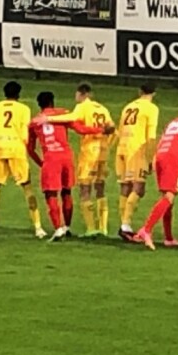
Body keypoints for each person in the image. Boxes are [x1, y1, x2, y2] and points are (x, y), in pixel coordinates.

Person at [29, 90, 109, 242]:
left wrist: (40, 163)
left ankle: (58, 228)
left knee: (51, 194)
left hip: (50, 158)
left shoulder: (34, 122)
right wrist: (100, 130)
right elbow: (81, 129)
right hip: (66, 156)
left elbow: (30, 148)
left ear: (39, 105)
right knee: (66, 191)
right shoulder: (63, 114)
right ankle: (67, 227)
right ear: (53, 102)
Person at [134, 103, 178, 251]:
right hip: (172, 158)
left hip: (160, 156)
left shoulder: (174, 122)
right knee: (169, 196)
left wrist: (153, 162)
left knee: (168, 198)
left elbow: (163, 140)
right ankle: (146, 230)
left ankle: (169, 238)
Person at [0, 81, 41, 242]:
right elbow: (25, 135)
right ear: (19, 94)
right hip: (16, 150)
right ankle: (38, 228)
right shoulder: (24, 110)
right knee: (27, 188)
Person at [114, 84, 159, 241]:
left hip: (122, 148)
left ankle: (124, 225)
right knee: (138, 188)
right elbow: (151, 136)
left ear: (139, 92)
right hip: (136, 150)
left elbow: (119, 129)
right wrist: (151, 157)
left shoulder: (128, 106)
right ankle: (125, 226)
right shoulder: (151, 109)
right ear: (154, 93)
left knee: (125, 186)